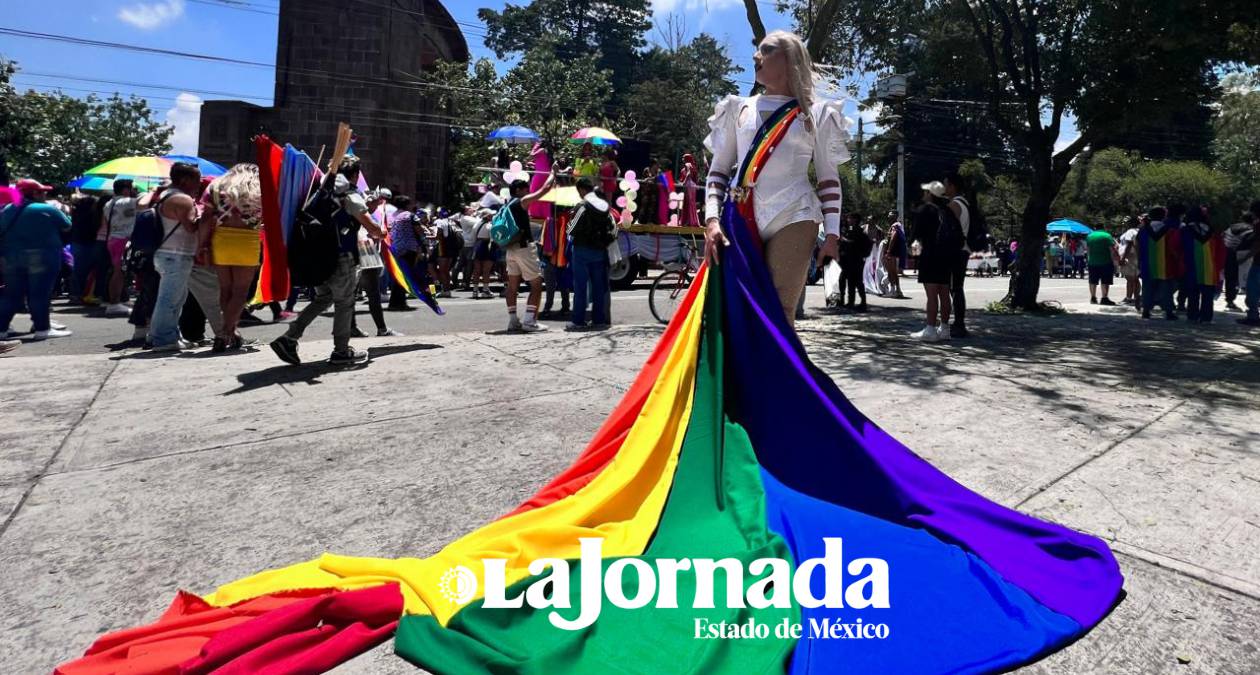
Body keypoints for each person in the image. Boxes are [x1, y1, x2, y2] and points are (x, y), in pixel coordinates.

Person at [702, 30, 849, 329]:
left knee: (780, 312)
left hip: (795, 215)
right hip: (740, 217)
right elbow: (717, 172)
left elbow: (828, 180)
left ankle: (778, 376)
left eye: (766, 50)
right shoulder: (736, 109)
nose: (756, 56)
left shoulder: (817, 114)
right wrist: (712, 220)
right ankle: (741, 376)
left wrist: (831, 235)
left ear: (789, 60)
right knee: (736, 309)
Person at [269, 155, 384, 366]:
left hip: (319, 257)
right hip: (343, 258)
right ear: (356, 175)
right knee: (345, 303)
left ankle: (289, 337)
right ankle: (341, 351)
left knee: (323, 299)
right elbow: (373, 228)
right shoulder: (349, 195)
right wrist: (382, 231)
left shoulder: (319, 192)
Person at [199, 164, 263, 351]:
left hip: (221, 239)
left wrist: (201, 245)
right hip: (248, 241)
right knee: (241, 292)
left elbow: (205, 218)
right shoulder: (261, 188)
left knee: (225, 289)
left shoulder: (217, 186)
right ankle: (225, 332)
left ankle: (229, 332)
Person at [0, 179, 73, 340]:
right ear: (35, 193)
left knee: (11, 295)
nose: (45, 194)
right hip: (43, 256)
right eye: (42, 191)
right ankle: (42, 329)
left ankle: (1, 329)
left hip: (11, 257)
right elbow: (67, 226)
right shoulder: (47, 209)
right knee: (39, 294)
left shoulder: (6, 210)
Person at [147, 162, 205, 352]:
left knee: (176, 298)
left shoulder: (166, 194)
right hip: (175, 254)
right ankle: (163, 338)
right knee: (170, 299)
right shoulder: (182, 199)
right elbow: (191, 227)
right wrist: (207, 215)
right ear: (185, 180)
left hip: (168, 253)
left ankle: (169, 334)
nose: (200, 182)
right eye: (197, 178)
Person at [500, 176, 556, 331]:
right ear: (518, 190)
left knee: (512, 286)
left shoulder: (507, 205)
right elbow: (544, 190)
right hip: (524, 248)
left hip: (511, 249)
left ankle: (513, 321)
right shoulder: (521, 202)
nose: (528, 191)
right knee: (537, 284)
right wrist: (552, 173)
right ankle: (530, 322)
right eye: (526, 189)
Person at [908, 182, 957, 341]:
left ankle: (930, 329)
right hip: (947, 255)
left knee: (931, 294)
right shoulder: (947, 210)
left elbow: (916, 234)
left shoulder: (924, 210)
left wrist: (913, 250)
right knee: (944, 292)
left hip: (930, 254)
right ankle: (944, 328)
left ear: (930, 194)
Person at [566, 178, 616, 331]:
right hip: (600, 251)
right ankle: (599, 320)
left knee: (580, 287)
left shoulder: (583, 206)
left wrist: (569, 224)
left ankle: (578, 321)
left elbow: (571, 230)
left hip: (582, 251)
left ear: (582, 190)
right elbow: (613, 228)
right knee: (598, 287)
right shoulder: (604, 205)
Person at [350, 190, 401, 338]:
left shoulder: (354, 211)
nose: (378, 204)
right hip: (365, 251)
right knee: (373, 293)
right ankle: (382, 329)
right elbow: (375, 231)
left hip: (359, 251)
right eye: (375, 201)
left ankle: (352, 327)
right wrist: (382, 232)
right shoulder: (362, 213)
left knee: (352, 294)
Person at [98, 179, 140, 316]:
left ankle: (115, 301)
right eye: (132, 188)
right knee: (119, 272)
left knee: (118, 271)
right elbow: (144, 201)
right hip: (122, 239)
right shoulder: (127, 202)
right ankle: (114, 303)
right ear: (125, 189)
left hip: (113, 238)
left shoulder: (109, 203)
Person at [1180, 205, 1226, 324]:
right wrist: (1219, 267)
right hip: (1209, 268)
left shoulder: (1185, 231)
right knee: (1207, 295)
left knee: (1192, 294)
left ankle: (1192, 316)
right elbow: (1221, 250)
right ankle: (1206, 318)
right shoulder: (1213, 232)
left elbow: (1178, 248)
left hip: (1191, 266)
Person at [1136, 206, 1181, 320]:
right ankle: (1168, 312)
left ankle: (1146, 311)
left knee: (1147, 288)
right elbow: (1174, 248)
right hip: (1166, 264)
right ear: (1164, 216)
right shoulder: (1170, 230)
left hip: (1147, 264)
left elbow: (1138, 247)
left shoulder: (1143, 231)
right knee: (1166, 289)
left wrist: (1139, 262)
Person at [943, 171, 973, 338]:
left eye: (946, 184)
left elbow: (947, 230)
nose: (944, 187)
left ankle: (959, 324)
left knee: (955, 287)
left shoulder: (954, 205)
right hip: (963, 249)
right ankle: (958, 322)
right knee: (956, 287)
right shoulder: (965, 203)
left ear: (952, 186)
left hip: (955, 250)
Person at [386, 195, 421, 311]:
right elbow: (419, 230)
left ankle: (394, 302)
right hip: (408, 248)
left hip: (395, 248)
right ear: (407, 204)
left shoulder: (392, 216)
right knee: (405, 276)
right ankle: (399, 303)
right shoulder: (410, 216)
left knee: (398, 276)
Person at [838, 213, 872, 311]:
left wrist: (843, 240)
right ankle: (847, 301)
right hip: (847, 260)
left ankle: (861, 302)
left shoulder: (856, 230)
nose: (848, 220)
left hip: (855, 260)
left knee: (855, 282)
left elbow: (852, 242)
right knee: (844, 280)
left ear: (855, 220)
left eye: (850, 218)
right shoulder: (850, 229)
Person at [1223, 213, 1253, 312]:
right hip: (1243, 254)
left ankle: (1230, 301)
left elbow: (1223, 236)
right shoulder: (1250, 229)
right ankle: (1252, 304)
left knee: (1230, 278)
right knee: (1247, 279)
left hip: (1228, 253)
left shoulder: (1232, 226)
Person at [1239, 200, 1260, 326]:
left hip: (1258, 263)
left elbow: (1258, 244)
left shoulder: (1258, 225)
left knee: (1252, 289)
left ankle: (1253, 316)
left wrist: (1245, 257)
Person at [1085, 226, 1118, 305]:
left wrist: (1088, 260)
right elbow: (1112, 250)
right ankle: (1104, 298)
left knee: (1092, 280)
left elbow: (1088, 250)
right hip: (1106, 261)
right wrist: (1115, 262)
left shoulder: (1089, 236)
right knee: (1105, 281)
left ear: (1095, 228)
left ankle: (1093, 298)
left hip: (1092, 262)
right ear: (1104, 228)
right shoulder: (1107, 236)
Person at [433, 209, 462, 298]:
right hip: (453, 249)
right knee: (446, 271)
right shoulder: (452, 222)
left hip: (443, 247)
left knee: (442, 270)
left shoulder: (440, 222)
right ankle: (447, 290)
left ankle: (445, 290)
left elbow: (439, 235)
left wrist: (432, 237)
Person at [470, 208, 496, 299]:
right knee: (486, 270)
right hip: (487, 247)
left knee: (476, 270)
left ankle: (475, 291)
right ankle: (485, 290)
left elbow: (473, 238)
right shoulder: (490, 226)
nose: (492, 216)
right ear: (488, 216)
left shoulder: (476, 224)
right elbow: (493, 239)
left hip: (477, 247)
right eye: (491, 215)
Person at [1117, 216, 1142, 307]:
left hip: (1130, 257)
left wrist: (1123, 258)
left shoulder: (1131, 231)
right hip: (1134, 257)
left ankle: (1130, 298)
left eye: (1127, 222)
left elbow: (1130, 245)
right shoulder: (1137, 231)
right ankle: (1134, 298)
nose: (1125, 224)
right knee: (1133, 279)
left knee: (1131, 279)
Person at [884, 211, 908, 298]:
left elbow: (893, 236)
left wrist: (888, 251)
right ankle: (896, 290)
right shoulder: (898, 225)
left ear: (895, 216)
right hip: (895, 252)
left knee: (892, 272)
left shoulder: (895, 225)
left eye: (890, 215)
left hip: (893, 252)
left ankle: (895, 291)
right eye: (888, 214)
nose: (888, 216)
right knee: (893, 272)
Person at [679, 153, 701, 227]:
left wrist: (684, 181)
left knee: (687, 204)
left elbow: (688, 174)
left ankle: (688, 221)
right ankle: (690, 221)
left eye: (684, 157)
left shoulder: (688, 164)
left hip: (689, 186)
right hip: (692, 187)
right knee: (690, 204)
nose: (682, 159)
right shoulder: (691, 166)